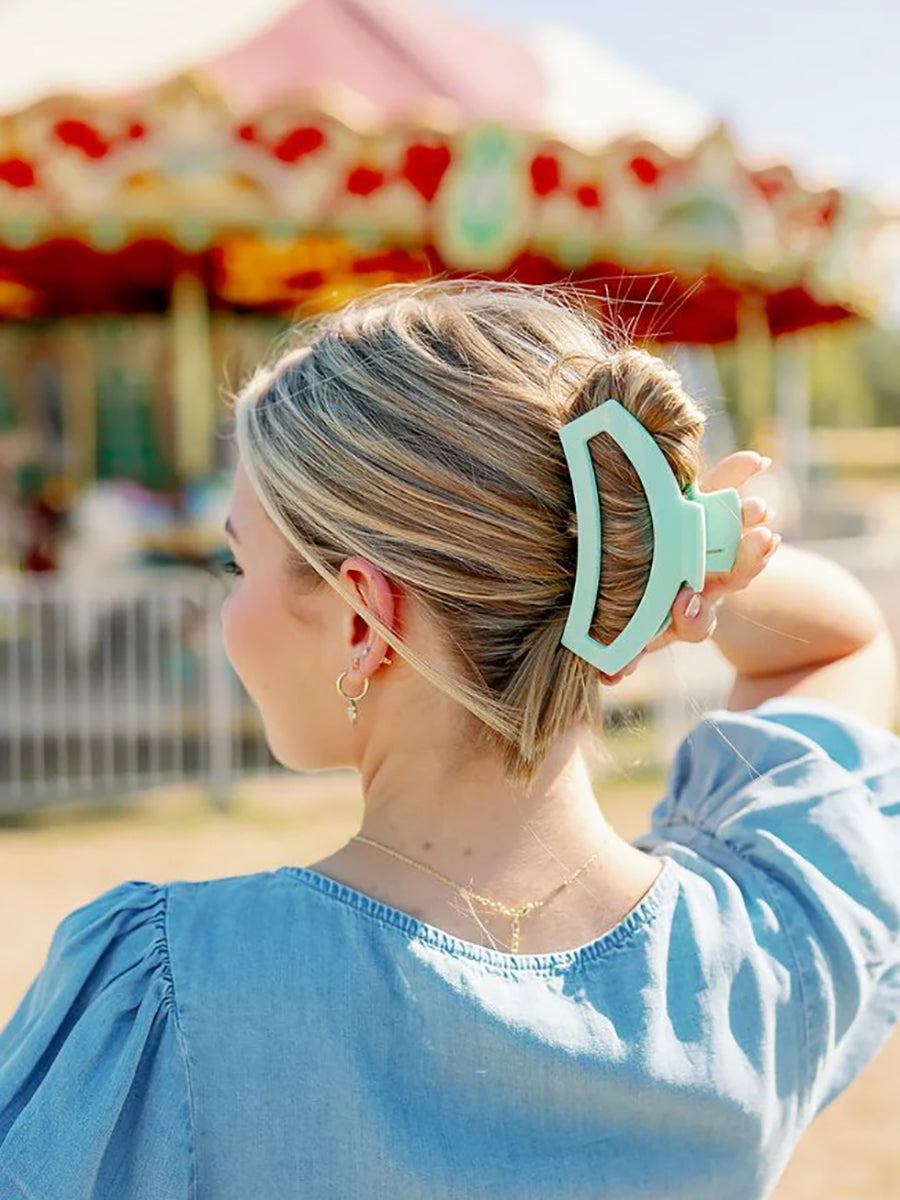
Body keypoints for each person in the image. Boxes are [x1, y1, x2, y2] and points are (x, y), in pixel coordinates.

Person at [0, 280, 898, 1200]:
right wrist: (664, 556)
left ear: (362, 621)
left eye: (240, 562)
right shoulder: (753, 959)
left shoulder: (172, 995)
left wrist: (631, 564)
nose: (228, 606)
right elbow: (842, 640)